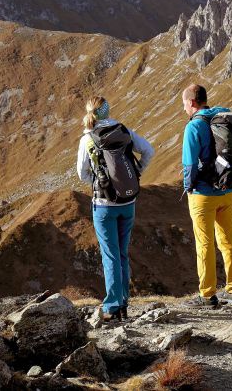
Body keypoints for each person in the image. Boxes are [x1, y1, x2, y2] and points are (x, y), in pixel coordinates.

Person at [76, 96, 154, 321]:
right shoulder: (123, 129)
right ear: (108, 111)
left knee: (110, 255)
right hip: (128, 202)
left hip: (103, 204)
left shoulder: (87, 138)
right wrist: (137, 173)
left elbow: (82, 174)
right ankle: (124, 303)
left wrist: (99, 181)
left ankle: (113, 306)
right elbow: (149, 151)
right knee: (122, 253)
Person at [180, 83, 232, 307]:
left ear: (191, 103)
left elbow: (189, 164)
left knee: (204, 243)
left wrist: (188, 187)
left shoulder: (193, 126)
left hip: (202, 194)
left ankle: (207, 295)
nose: (184, 109)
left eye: (185, 105)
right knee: (227, 240)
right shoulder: (222, 115)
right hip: (226, 190)